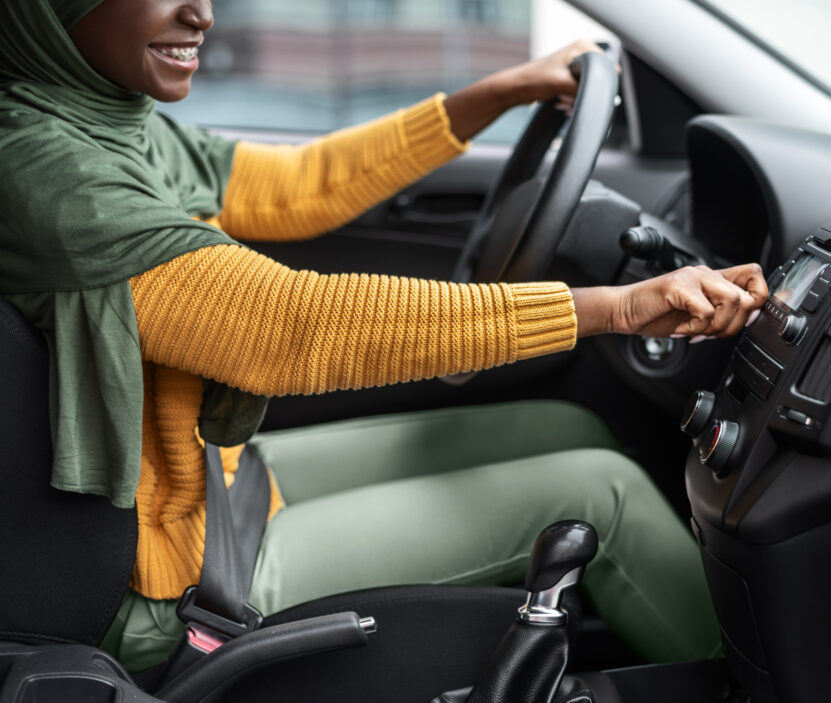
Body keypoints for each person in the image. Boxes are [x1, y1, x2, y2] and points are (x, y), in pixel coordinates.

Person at [0, 0, 768, 673]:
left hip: (205, 492)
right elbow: (285, 327)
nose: (201, 13)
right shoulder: (45, 169)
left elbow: (300, 185)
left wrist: (494, 95)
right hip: (153, 580)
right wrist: (612, 307)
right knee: (603, 495)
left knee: (570, 427)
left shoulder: (107, 121)